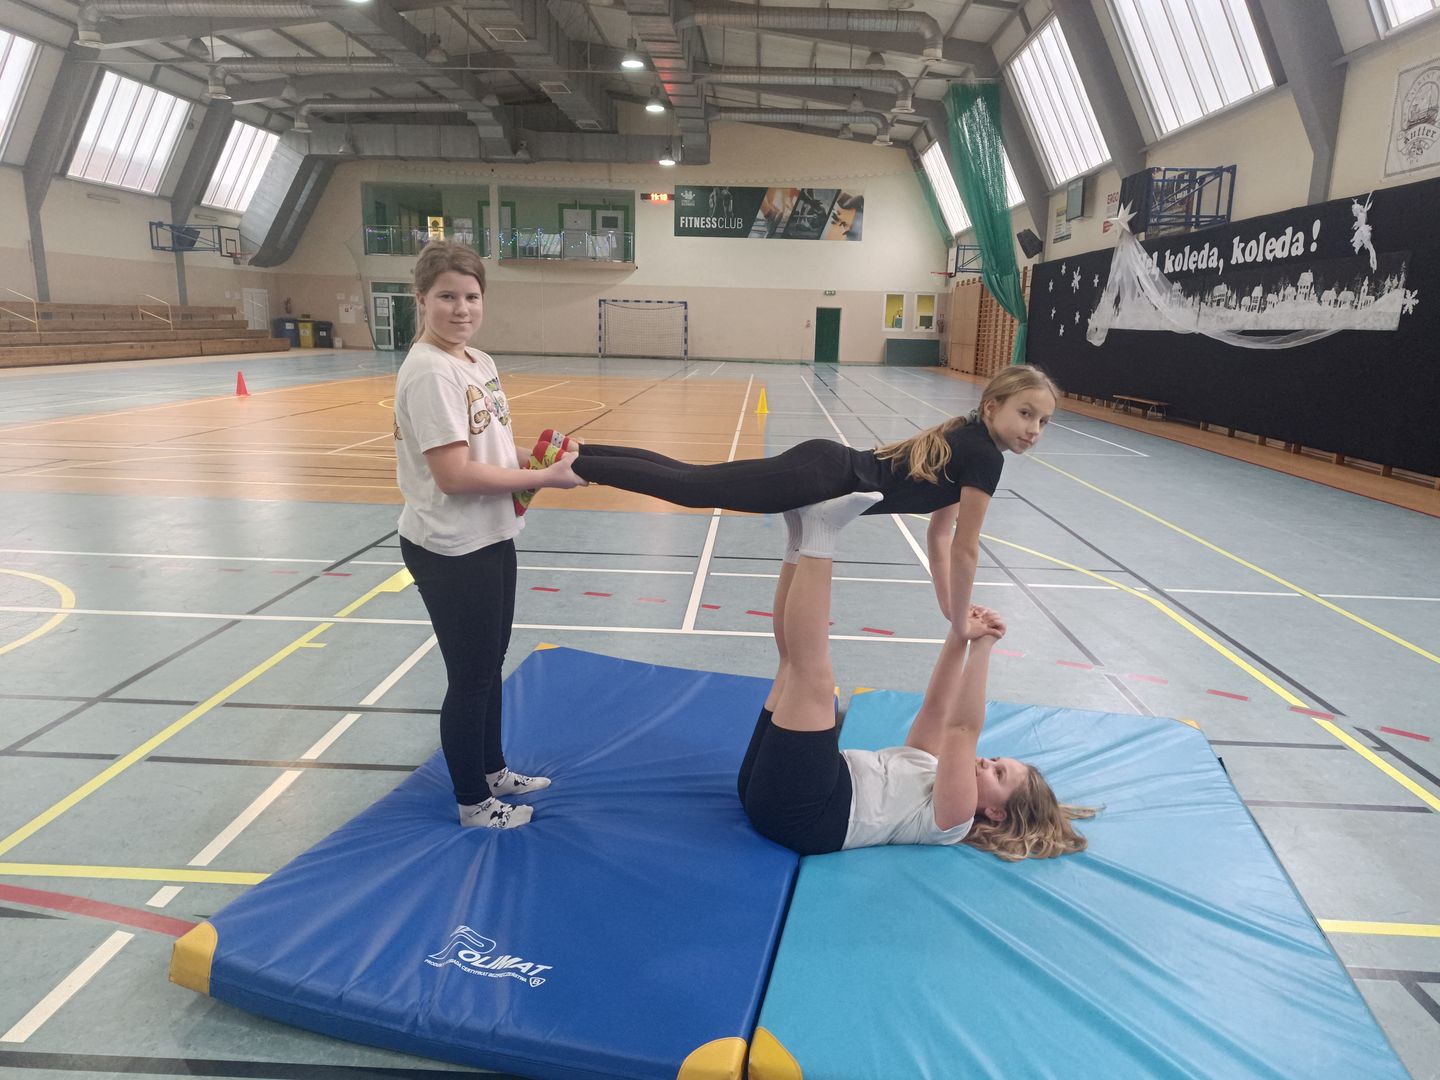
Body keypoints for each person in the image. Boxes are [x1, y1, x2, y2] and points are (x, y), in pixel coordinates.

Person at [557, 364, 1060, 634]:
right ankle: (576, 465)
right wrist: (961, 619)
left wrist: (951, 610)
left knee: (692, 477)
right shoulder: (984, 455)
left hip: (824, 465)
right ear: (991, 406)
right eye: (1025, 413)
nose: (1034, 429)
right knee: (690, 486)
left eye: (1043, 421)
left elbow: (941, 534)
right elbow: (966, 549)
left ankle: (580, 451)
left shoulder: (971, 440)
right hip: (820, 476)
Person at [735, 491, 1094, 858]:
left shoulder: (953, 818)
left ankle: (821, 533)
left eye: (998, 774)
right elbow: (937, 707)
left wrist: (984, 646)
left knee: (813, 678)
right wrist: (960, 633)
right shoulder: (927, 764)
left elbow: (962, 729)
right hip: (771, 792)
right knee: (792, 664)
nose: (987, 762)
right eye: (997, 760)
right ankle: (801, 534)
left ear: (996, 812)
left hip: (808, 813)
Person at [393, 240, 586, 829]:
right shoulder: (430, 371)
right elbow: (454, 476)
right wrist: (544, 479)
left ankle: (493, 770)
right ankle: (473, 803)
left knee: (490, 664)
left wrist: (539, 458)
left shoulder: (477, 361)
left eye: (472, 296)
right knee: (471, 677)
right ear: (421, 298)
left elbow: (489, 448)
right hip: (451, 546)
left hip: (491, 532)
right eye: (447, 297)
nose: (462, 309)